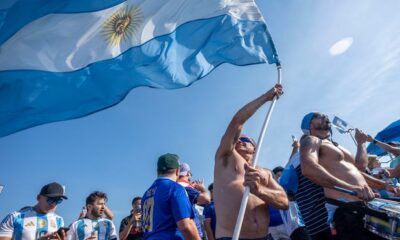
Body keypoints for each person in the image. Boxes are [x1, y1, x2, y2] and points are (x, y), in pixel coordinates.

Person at [214, 84, 288, 239]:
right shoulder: (226, 157)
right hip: (231, 237)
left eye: (245, 140)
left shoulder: (265, 173)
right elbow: (237, 122)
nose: (240, 141)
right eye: (238, 140)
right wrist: (266, 97)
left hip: (264, 236)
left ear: (255, 148)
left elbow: (284, 202)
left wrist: (259, 190)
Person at [299, 112, 384, 240]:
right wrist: (350, 187)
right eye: (316, 116)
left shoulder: (337, 146)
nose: (323, 116)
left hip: (366, 207)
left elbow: (359, 169)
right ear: (309, 126)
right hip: (346, 211)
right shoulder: (311, 140)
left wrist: (385, 186)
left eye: (323, 115)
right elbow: (308, 168)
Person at [141, 153, 200, 240]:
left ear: (157, 171)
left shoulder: (145, 194)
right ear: (177, 171)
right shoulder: (175, 188)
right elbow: (186, 227)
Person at [0, 182, 67, 240]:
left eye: (58, 200)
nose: (53, 204)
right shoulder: (15, 217)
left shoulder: (59, 220)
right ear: (38, 198)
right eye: (50, 200)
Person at [177, 163, 210, 238]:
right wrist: (203, 189)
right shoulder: (185, 185)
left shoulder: (176, 185)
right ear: (188, 173)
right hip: (192, 233)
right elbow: (206, 199)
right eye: (191, 173)